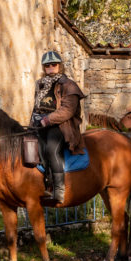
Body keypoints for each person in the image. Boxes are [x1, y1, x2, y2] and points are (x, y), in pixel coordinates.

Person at [29, 51, 86, 204]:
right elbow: (37, 107)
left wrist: (47, 120)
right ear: (44, 67)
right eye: (47, 65)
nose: (51, 67)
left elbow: (68, 110)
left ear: (60, 66)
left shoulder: (69, 85)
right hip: (40, 124)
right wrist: (32, 122)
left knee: (51, 148)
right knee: (28, 145)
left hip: (62, 126)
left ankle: (58, 189)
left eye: (54, 64)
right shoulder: (40, 84)